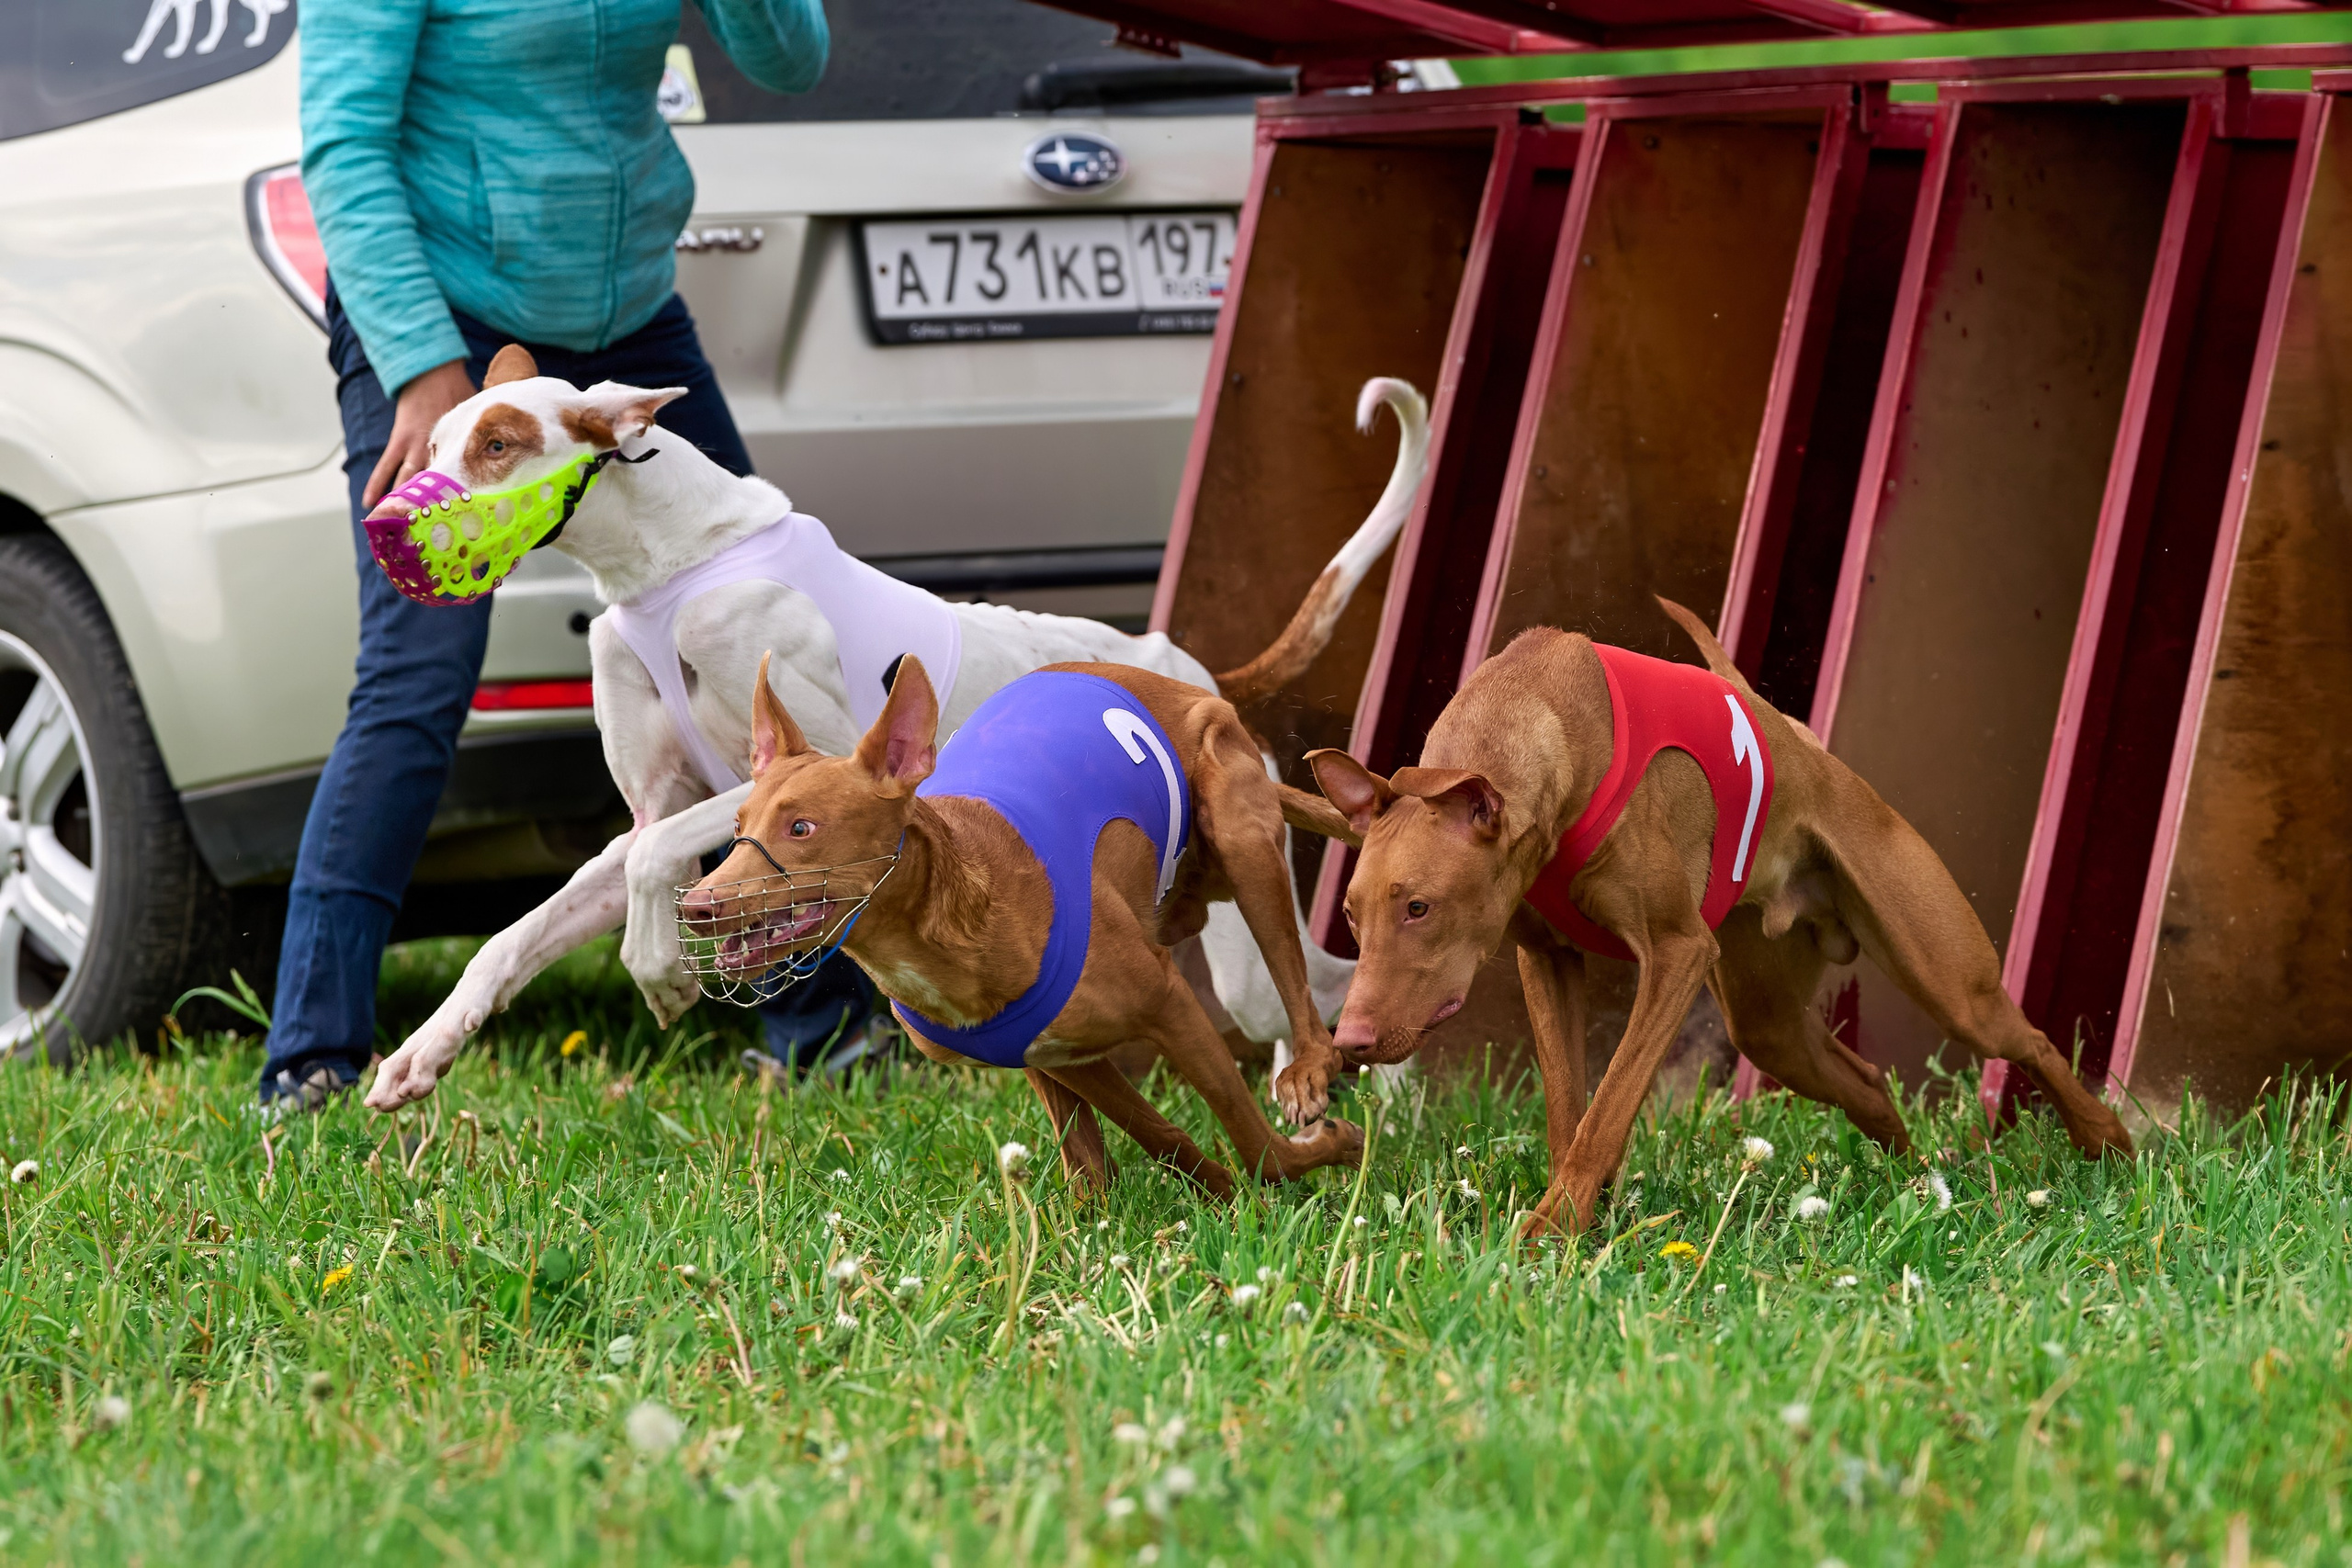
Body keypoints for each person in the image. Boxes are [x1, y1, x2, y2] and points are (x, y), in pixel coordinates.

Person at [261, 0, 848, 1111]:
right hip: (442, 314)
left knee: (753, 641)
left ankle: (823, 1028)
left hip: (624, 317)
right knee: (417, 676)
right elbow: (342, 144)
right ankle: (311, 1056)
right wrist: (424, 362)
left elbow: (791, 62)